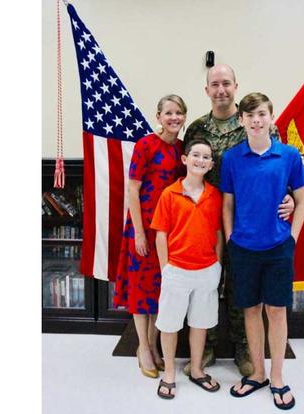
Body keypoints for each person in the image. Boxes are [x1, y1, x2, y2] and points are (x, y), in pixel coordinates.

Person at [183, 64, 295, 377]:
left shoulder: (256, 121)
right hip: (205, 215)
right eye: (214, 84)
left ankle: (245, 345)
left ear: (236, 86)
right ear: (207, 90)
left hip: (247, 220)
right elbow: (189, 171)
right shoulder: (195, 130)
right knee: (206, 282)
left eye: (226, 83)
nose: (221, 90)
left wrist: (287, 198)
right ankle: (205, 342)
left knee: (240, 285)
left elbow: (276, 166)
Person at [222, 93, 304, 410]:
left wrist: (292, 239)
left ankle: (278, 376)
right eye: (249, 115)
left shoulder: (289, 156)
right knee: (251, 310)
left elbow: (301, 201)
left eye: (261, 114)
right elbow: (227, 203)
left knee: (276, 311)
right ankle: (257, 372)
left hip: (278, 248)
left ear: (271, 117)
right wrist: (231, 237)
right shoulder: (232, 158)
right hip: (243, 247)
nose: (256, 120)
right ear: (241, 120)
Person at [113, 94, 187, 379]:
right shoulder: (146, 145)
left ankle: (155, 346)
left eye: (178, 113)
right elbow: (132, 189)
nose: (173, 117)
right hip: (142, 228)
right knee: (141, 290)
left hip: (167, 232)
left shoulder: (181, 150)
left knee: (160, 291)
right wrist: (139, 234)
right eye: (168, 112)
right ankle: (142, 347)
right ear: (159, 117)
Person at [150, 138, 223, 399]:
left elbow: (217, 232)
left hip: (206, 270)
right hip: (177, 270)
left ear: (211, 164)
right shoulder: (170, 194)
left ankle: (196, 368)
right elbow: (161, 234)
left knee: (200, 323)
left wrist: (218, 265)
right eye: (196, 155)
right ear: (185, 159)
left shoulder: (215, 195)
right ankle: (169, 372)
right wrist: (165, 268)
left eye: (206, 157)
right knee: (169, 324)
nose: (200, 160)